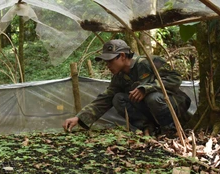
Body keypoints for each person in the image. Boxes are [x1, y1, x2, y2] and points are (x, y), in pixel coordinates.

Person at [63, 39, 191, 136]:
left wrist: (147, 88)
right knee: (118, 98)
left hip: (175, 105)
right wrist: (79, 117)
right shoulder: (119, 76)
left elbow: (175, 78)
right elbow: (105, 98)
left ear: (123, 56)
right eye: (106, 61)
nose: (107, 65)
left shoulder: (148, 62)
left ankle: (171, 132)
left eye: (110, 60)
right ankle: (149, 130)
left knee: (153, 97)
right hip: (152, 110)